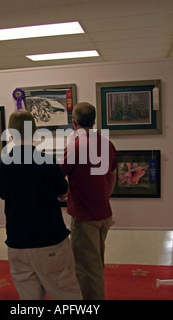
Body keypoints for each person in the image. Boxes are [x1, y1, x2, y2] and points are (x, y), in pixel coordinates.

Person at [0, 110, 82, 300]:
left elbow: (3, 195)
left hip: (18, 241)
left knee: (29, 298)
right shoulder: (47, 160)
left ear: (10, 132)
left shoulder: (1, 164)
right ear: (34, 131)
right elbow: (63, 193)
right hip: (49, 239)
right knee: (66, 294)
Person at [60, 102, 117, 300]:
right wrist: (103, 198)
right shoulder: (107, 144)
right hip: (104, 214)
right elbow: (112, 177)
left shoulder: (75, 146)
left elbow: (58, 177)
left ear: (74, 122)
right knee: (96, 264)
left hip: (85, 218)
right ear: (93, 122)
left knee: (87, 270)